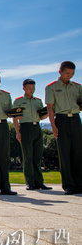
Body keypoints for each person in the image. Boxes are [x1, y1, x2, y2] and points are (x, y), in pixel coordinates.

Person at [45, 61, 82, 194]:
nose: (69, 76)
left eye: (72, 74)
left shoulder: (77, 87)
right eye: (67, 73)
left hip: (76, 119)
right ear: (60, 72)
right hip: (61, 119)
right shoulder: (52, 88)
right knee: (65, 153)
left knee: (78, 152)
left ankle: (79, 183)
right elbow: (50, 108)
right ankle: (68, 185)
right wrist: (53, 126)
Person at [13, 79, 52, 191]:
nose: (32, 90)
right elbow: (14, 118)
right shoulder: (18, 101)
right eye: (29, 88)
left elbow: (41, 116)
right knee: (28, 157)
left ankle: (39, 182)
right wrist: (17, 132)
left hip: (37, 127)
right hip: (25, 127)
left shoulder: (38, 101)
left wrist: (46, 114)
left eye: (33, 88)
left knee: (37, 157)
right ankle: (30, 182)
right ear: (24, 88)